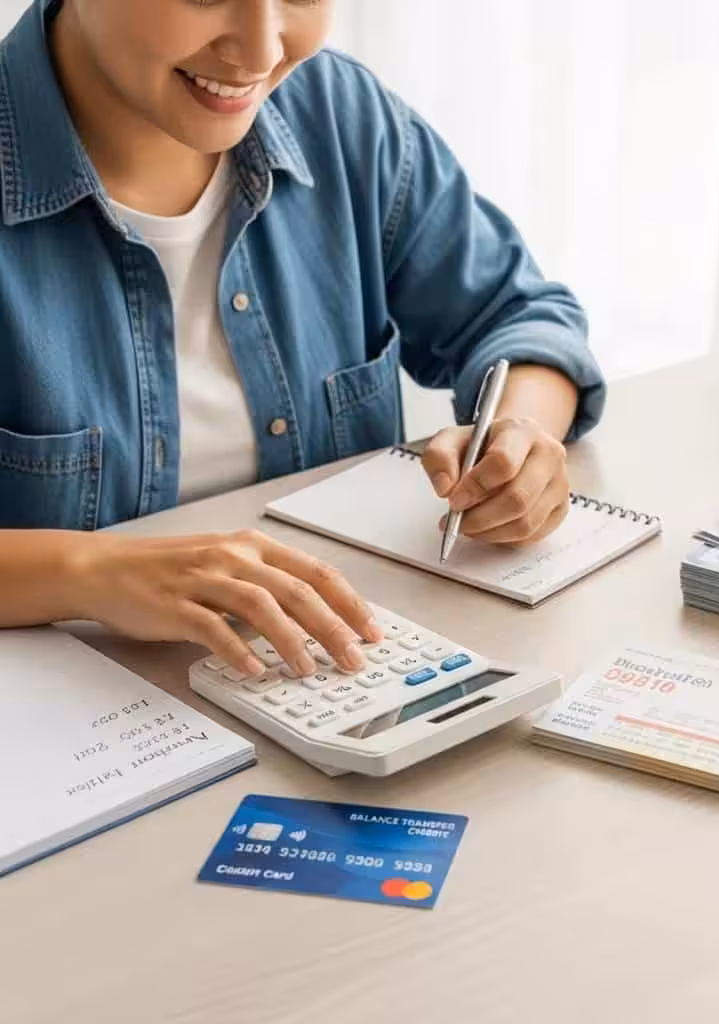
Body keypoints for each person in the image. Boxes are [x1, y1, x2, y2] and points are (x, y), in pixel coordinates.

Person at [0, 1, 605, 678]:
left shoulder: (341, 118)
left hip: (336, 679)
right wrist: (86, 572)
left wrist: (520, 432)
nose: (260, 52)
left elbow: (518, 316)